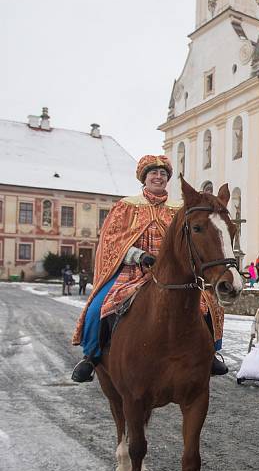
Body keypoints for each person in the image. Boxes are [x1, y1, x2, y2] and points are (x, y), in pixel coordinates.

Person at [71, 155, 228, 382]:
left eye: (163, 174)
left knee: (210, 303)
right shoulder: (126, 207)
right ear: (144, 178)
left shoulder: (179, 209)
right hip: (132, 272)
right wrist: (138, 255)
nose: (159, 177)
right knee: (99, 306)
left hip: (172, 274)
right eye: (153, 173)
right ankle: (91, 357)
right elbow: (111, 241)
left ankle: (211, 352)